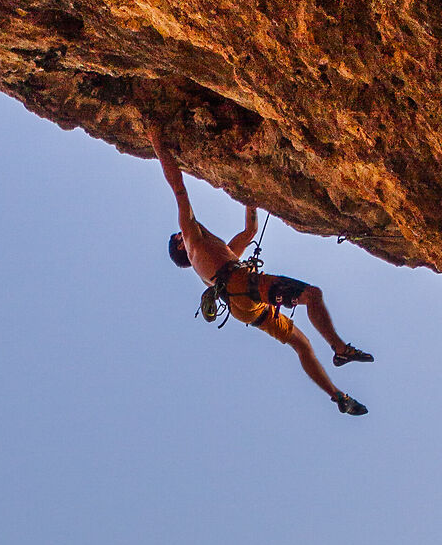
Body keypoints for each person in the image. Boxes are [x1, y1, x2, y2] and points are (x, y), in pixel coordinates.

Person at [148, 122, 373, 416]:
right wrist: (157, 142)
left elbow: (250, 231)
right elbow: (178, 188)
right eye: (178, 235)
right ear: (180, 245)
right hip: (243, 286)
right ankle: (340, 349)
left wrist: (250, 197)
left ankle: (338, 397)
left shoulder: (215, 258)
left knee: (302, 345)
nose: (183, 230)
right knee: (312, 295)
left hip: (245, 305)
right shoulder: (192, 239)